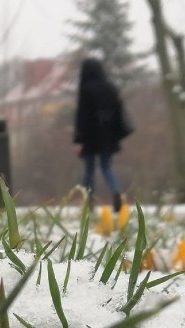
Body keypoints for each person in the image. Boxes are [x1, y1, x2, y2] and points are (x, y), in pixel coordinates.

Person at [73, 57, 133, 212]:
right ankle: (116, 192)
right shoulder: (110, 87)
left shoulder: (85, 89)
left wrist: (79, 140)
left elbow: (82, 116)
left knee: (89, 170)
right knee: (107, 167)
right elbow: (118, 111)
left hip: (90, 136)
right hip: (108, 136)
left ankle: (89, 201)